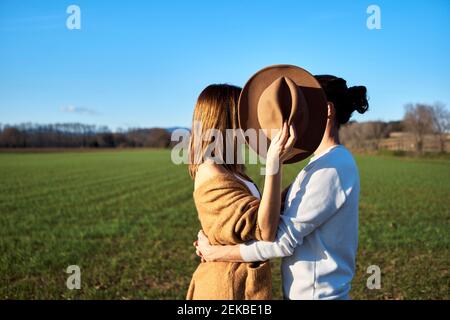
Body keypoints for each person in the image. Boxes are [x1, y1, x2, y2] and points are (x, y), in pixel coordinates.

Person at [195, 74, 369, 300]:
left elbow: (282, 241)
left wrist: (217, 252)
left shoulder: (333, 167)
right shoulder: (321, 164)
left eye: (301, 107)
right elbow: (270, 211)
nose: (291, 115)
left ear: (326, 110)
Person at [186, 83, 296, 300]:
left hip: (236, 283)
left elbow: (261, 209)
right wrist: (274, 163)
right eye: (243, 112)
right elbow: (265, 229)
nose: (251, 119)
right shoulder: (210, 170)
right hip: (226, 289)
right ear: (225, 119)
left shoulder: (229, 169)